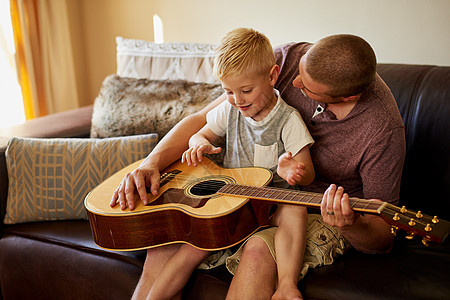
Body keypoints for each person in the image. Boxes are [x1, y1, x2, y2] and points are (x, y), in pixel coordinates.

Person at [111, 33, 406, 300]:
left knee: (258, 251)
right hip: (242, 192)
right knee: (169, 237)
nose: (294, 84)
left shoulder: (382, 130)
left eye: (307, 87)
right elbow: (203, 121)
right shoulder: (283, 60)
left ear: (347, 98)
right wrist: (150, 164)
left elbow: (384, 236)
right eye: (299, 71)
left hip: (306, 208)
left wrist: (351, 222)